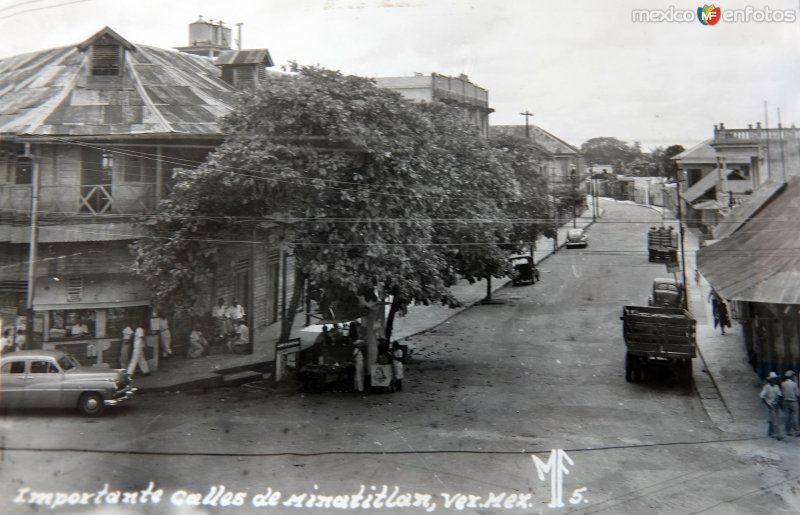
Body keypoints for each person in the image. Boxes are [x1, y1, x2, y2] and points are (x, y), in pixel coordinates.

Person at [760, 371, 784, 440]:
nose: (774, 380)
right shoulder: (766, 387)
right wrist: (767, 404)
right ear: (770, 380)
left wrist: (778, 402)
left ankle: (770, 432)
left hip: (776, 404)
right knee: (774, 419)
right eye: (773, 379)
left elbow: (780, 395)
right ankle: (777, 435)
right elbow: (762, 396)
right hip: (770, 405)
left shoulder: (777, 386)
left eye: (775, 379)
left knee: (776, 418)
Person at [781, 370, 799, 437]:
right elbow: (797, 394)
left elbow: (782, 393)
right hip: (793, 401)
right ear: (791, 376)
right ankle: (797, 431)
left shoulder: (783, 384)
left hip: (786, 401)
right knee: (795, 417)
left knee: (787, 417)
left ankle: (787, 431)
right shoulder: (794, 384)